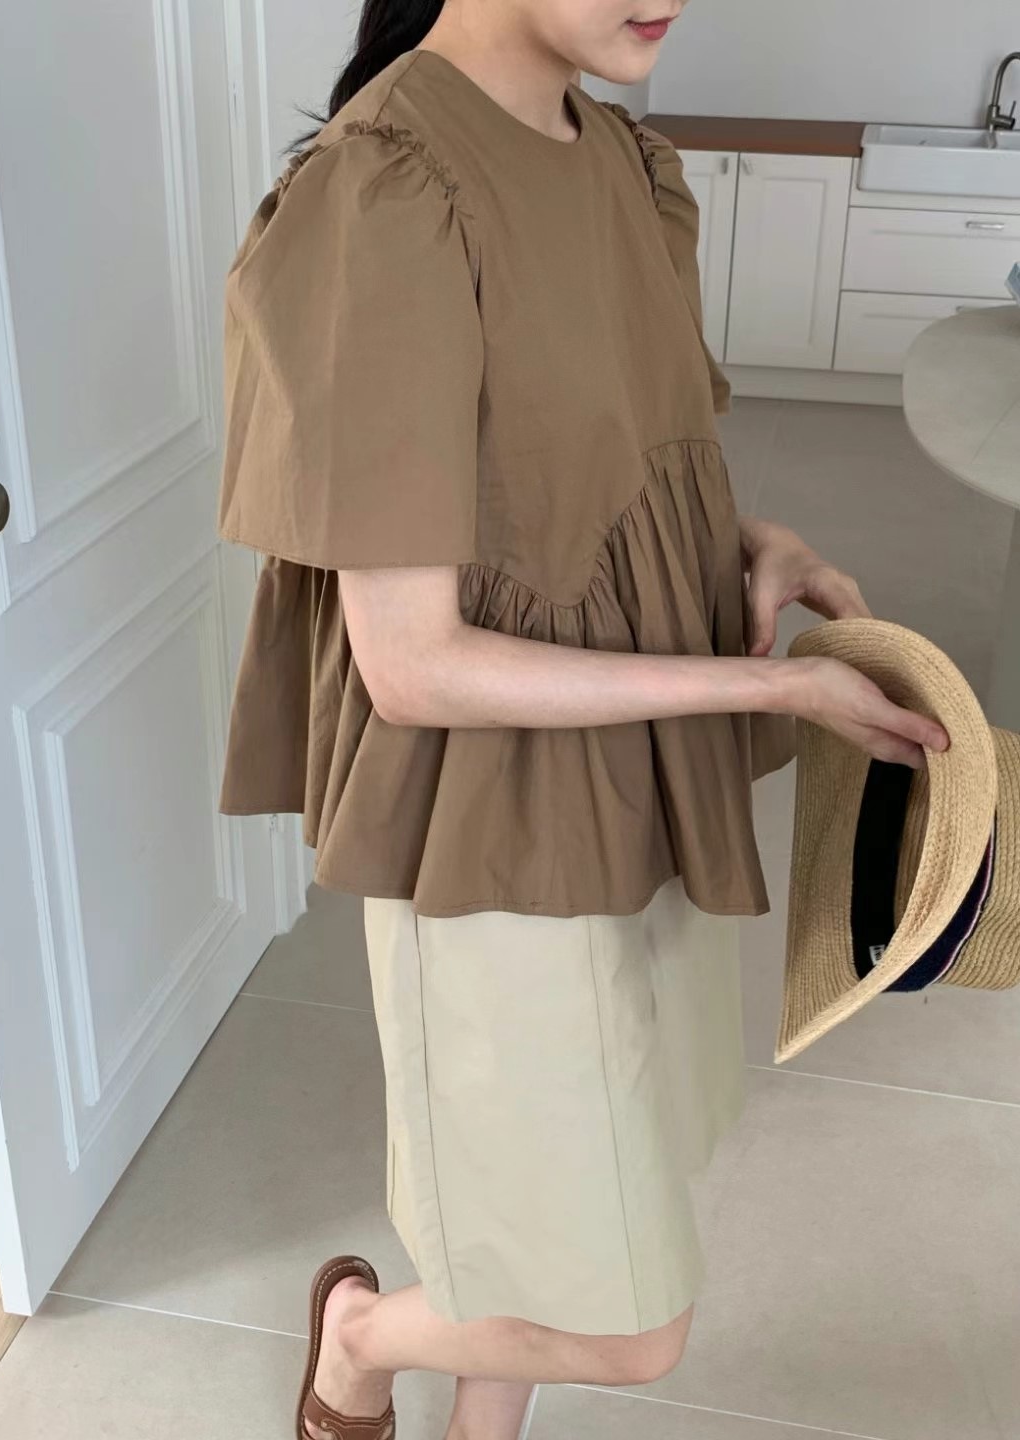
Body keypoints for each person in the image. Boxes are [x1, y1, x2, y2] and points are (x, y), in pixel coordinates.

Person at [217, 3, 949, 1438]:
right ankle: (358, 1340)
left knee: (553, 1213)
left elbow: (596, 468)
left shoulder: (618, 161)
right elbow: (414, 664)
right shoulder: (386, 191)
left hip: (633, 788)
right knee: (631, 1326)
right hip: (492, 832)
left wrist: (757, 539)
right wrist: (775, 686)